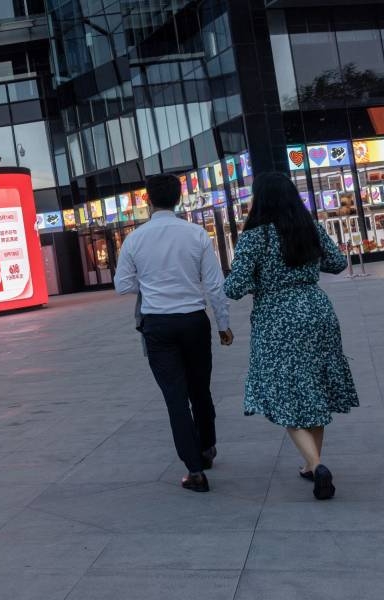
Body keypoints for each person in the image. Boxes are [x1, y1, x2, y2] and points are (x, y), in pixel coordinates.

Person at [224, 172, 358, 500]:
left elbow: (234, 286)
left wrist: (261, 280)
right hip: (316, 309)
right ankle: (312, 466)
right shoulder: (308, 226)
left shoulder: (255, 236)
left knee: (284, 393)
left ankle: (316, 463)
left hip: (277, 317)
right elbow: (338, 263)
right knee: (314, 386)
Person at [115, 174, 233, 493]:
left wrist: (152, 283)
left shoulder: (136, 239)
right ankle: (207, 448)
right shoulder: (196, 234)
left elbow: (122, 284)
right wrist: (223, 325)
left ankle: (194, 470)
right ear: (179, 199)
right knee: (200, 389)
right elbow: (214, 284)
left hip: (158, 325)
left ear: (148, 200)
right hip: (194, 320)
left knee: (175, 398)